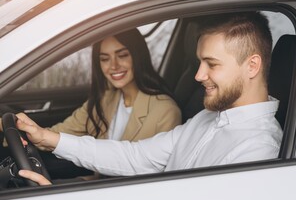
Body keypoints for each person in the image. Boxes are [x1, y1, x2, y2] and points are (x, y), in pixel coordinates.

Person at [16, 11, 283, 185]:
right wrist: (49, 139)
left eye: (211, 64)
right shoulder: (206, 119)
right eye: (199, 62)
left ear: (252, 66)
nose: (199, 75)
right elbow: (135, 156)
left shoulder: (259, 149)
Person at [1, 28, 181, 142]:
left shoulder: (165, 111)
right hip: (96, 183)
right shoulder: (105, 98)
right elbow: (59, 133)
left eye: (123, 55)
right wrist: (15, 131)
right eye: (104, 59)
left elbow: (156, 174)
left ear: (137, 56)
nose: (114, 66)